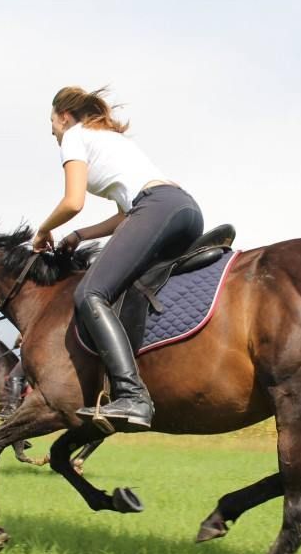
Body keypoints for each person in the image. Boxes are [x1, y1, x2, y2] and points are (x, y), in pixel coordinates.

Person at [32, 86, 204, 431]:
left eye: (51, 123)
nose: (52, 132)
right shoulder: (108, 138)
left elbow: (73, 201)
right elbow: (126, 216)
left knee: (89, 293)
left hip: (156, 207)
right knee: (133, 288)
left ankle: (132, 394)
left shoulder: (75, 136)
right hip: (183, 209)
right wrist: (80, 235)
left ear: (64, 117)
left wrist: (43, 229)